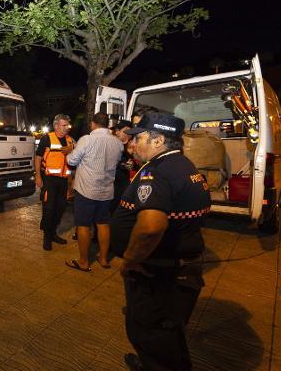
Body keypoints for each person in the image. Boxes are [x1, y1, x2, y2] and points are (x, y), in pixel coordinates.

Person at [110, 112, 211, 371]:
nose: (132, 144)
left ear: (158, 141)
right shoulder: (184, 165)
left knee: (151, 333)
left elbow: (150, 228)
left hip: (159, 273)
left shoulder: (158, 172)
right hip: (176, 268)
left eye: (139, 138)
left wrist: (131, 261)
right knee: (166, 337)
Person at [65, 112, 123, 272]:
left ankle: (84, 262)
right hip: (106, 190)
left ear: (93, 123)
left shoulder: (87, 140)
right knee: (103, 223)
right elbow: (116, 161)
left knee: (83, 225)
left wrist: (70, 152)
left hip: (86, 190)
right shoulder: (117, 143)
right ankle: (103, 259)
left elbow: (71, 160)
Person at [34, 114, 74, 250]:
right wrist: (38, 176)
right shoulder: (47, 138)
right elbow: (38, 158)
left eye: (67, 125)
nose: (66, 128)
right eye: (64, 125)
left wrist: (72, 149)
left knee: (61, 208)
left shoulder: (70, 141)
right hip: (49, 180)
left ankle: (53, 233)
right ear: (56, 125)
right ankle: (47, 237)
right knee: (49, 209)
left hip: (63, 181)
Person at [111, 120, 138, 213]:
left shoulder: (133, 145)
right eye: (126, 130)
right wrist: (122, 165)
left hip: (122, 184)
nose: (128, 133)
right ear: (117, 131)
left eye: (130, 131)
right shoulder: (110, 143)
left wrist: (133, 165)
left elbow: (140, 164)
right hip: (109, 181)